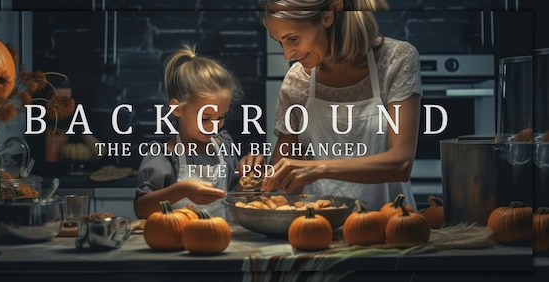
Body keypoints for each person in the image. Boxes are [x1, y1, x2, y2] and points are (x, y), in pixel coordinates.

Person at [260, 0, 422, 211]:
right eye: (280, 42)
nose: (288, 54)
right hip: (319, 228)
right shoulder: (296, 81)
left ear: (327, 15)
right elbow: (285, 182)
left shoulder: (397, 59)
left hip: (390, 223)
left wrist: (317, 168)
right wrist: (260, 176)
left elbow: (400, 164)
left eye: (293, 38)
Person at [134, 43, 264, 219]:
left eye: (221, 117)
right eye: (205, 118)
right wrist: (182, 190)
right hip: (177, 241)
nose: (214, 126)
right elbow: (141, 208)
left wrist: (250, 182)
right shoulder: (163, 156)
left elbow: (234, 197)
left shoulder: (223, 146)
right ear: (177, 109)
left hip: (221, 239)